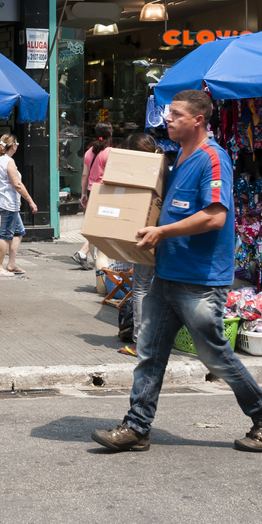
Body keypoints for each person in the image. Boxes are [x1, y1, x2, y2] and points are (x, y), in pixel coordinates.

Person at [92, 90, 262, 454]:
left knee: (215, 356)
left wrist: (163, 232)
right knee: (149, 352)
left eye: (177, 115)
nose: (168, 120)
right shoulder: (177, 157)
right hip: (165, 273)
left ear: (198, 120)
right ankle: (137, 427)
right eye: (169, 114)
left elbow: (216, 216)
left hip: (198, 279)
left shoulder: (213, 158)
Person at [115, 131, 162, 356]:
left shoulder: (136, 173)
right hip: (167, 234)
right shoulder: (165, 169)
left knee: (142, 286)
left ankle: (140, 343)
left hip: (146, 236)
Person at [0, 133, 37, 277]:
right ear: (14, 146)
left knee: (18, 232)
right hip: (7, 203)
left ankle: (11, 263)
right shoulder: (9, 162)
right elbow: (17, 184)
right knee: (5, 235)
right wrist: (31, 201)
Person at [73, 122, 113, 266]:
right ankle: (84, 253)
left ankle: (87, 253)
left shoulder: (89, 152)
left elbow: (85, 175)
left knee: (99, 225)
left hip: (91, 190)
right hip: (104, 192)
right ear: (110, 133)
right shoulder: (109, 153)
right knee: (100, 226)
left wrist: (83, 194)